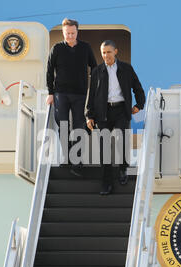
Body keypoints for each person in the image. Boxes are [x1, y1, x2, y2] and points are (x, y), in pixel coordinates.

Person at [86, 40, 145, 195]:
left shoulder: (126, 68)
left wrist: (139, 105)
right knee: (104, 147)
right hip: (102, 112)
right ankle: (106, 183)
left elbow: (137, 88)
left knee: (121, 141)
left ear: (116, 52)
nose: (106, 55)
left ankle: (123, 169)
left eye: (109, 52)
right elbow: (91, 94)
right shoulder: (97, 71)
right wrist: (89, 115)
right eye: (103, 53)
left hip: (121, 111)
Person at [46, 18, 97, 173]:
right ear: (63, 32)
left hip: (80, 93)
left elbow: (94, 67)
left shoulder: (85, 48)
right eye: (67, 33)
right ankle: (67, 157)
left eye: (73, 33)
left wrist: (94, 88)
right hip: (60, 93)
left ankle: (77, 160)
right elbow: (49, 72)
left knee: (79, 126)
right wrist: (50, 93)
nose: (70, 36)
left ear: (77, 32)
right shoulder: (56, 49)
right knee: (62, 125)